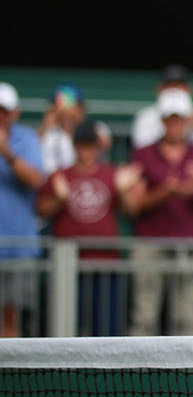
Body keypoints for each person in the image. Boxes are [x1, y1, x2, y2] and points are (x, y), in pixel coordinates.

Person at [122, 88, 193, 336]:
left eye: (179, 118)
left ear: (187, 121)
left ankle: (187, 373)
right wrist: (164, 192)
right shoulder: (142, 154)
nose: (175, 124)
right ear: (162, 120)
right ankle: (139, 373)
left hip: (189, 244)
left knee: (186, 319)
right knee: (144, 316)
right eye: (170, 118)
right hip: (150, 244)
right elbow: (133, 205)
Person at [36, 120, 139, 336]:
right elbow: (42, 209)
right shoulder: (60, 175)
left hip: (105, 264)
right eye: (82, 145)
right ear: (75, 146)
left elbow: (132, 210)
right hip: (69, 266)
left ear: (98, 147)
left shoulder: (111, 174)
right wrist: (58, 198)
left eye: (91, 145)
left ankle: (107, 370)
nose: (86, 151)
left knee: (106, 329)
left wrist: (122, 191)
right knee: (65, 327)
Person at [0, 82, 43, 337]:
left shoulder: (27, 138)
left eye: (3, 110)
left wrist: (6, 152)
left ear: (14, 112)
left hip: (18, 248)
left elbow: (36, 179)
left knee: (10, 320)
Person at [131, 66, 193, 150]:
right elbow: (142, 148)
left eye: (179, 85)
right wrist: (182, 128)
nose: (174, 89)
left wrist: (192, 125)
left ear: (189, 89)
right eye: (169, 84)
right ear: (159, 88)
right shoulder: (145, 116)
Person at [38, 83, 84, 174]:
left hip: (75, 182)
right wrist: (46, 125)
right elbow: (31, 151)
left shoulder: (92, 128)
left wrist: (69, 123)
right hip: (46, 182)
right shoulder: (47, 131)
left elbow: (102, 143)